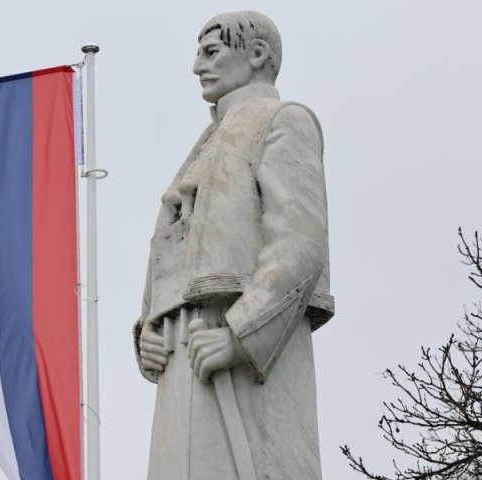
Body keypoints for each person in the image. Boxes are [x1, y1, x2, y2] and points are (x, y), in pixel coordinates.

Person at [132, 11, 335, 479]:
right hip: (182, 358)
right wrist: (149, 329)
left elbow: (300, 244)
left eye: (211, 52)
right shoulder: (205, 142)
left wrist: (239, 336)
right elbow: (169, 249)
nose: (197, 66)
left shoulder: (284, 120)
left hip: (241, 345)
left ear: (257, 54)